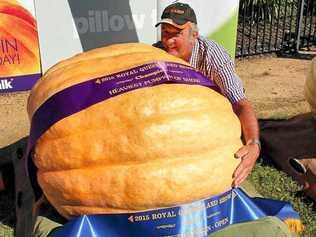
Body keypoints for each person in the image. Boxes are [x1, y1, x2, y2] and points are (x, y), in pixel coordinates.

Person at [154, 2, 260, 188]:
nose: (168, 41)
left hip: (214, 129)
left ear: (194, 36)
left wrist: (253, 143)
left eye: (176, 34)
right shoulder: (154, 54)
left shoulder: (212, 55)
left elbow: (239, 103)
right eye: (165, 32)